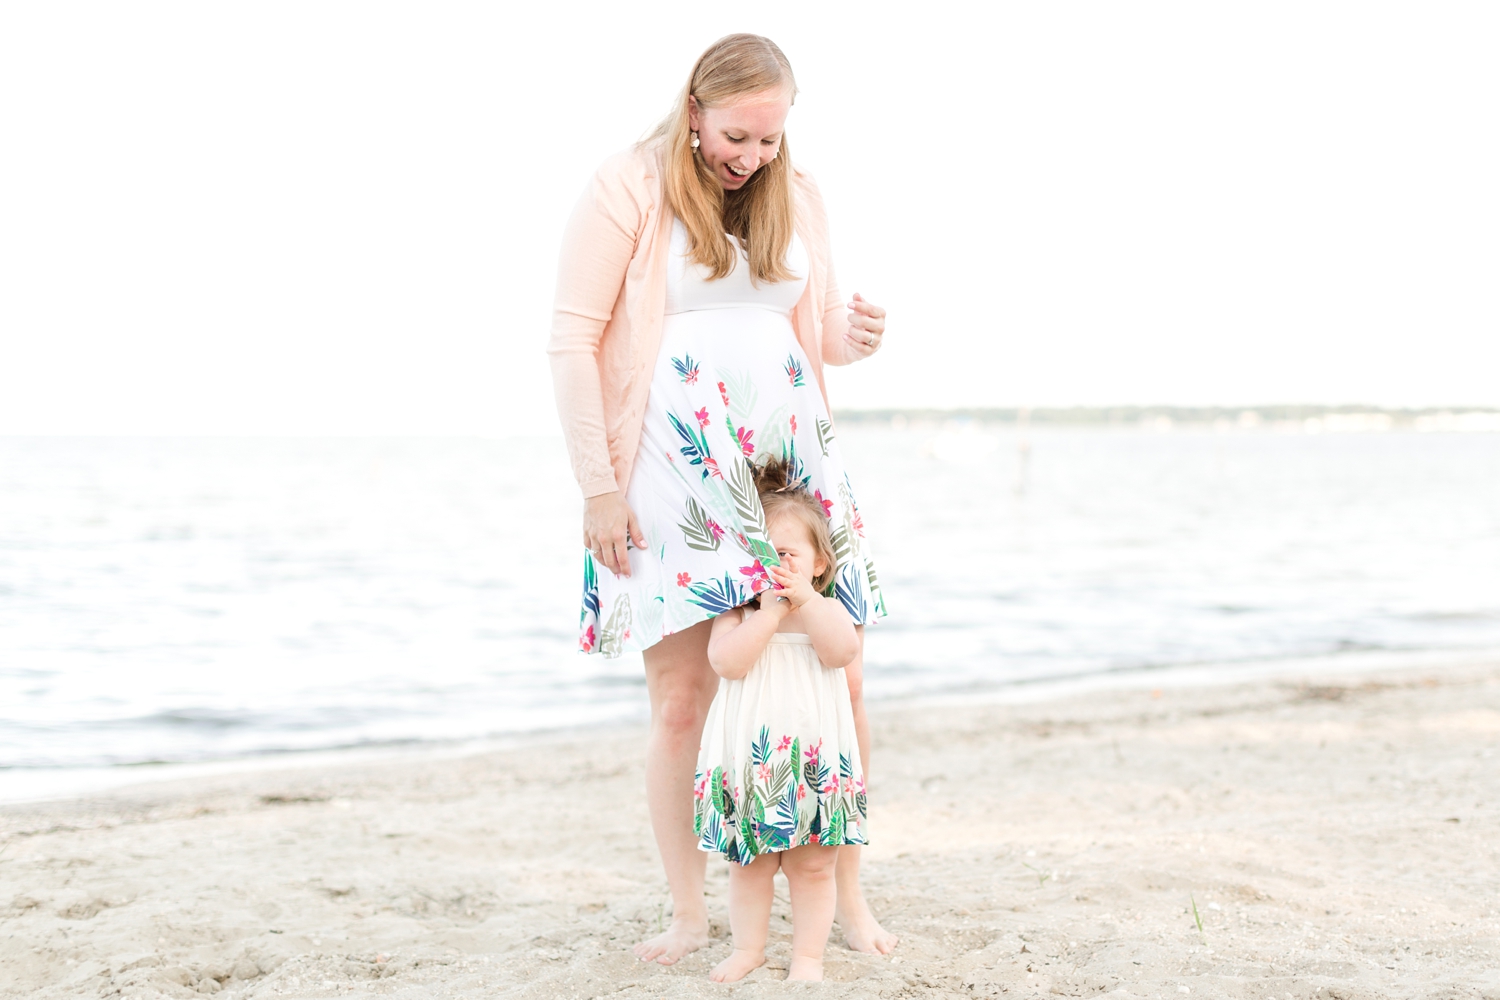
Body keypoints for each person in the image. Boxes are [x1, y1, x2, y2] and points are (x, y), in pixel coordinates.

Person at [547, 32, 895, 963]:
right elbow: (573, 341)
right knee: (682, 695)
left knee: (841, 675)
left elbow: (812, 330)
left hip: (790, 450)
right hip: (670, 459)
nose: (752, 158)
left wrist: (854, 339)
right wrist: (596, 490)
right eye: (737, 136)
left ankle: (849, 898)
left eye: (770, 141)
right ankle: (691, 912)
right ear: (695, 108)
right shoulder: (627, 185)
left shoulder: (800, 194)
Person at [694, 457, 866, 982]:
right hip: (754, 762)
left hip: (815, 759)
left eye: (787, 555)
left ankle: (807, 957)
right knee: (750, 863)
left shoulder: (828, 608)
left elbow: (840, 653)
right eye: (763, 555)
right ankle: (750, 948)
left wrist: (806, 602)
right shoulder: (740, 614)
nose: (776, 566)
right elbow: (727, 663)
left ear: (818, 563)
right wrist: (768, 613)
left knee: (815, 864)